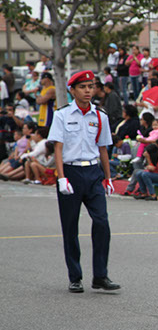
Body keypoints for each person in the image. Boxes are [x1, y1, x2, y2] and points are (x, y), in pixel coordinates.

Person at [46, 70, 119, 293]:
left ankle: (100, 276)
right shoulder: (62, 115)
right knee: (70, 227)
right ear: (73, 90)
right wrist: (61, 177)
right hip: (71, 172)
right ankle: (75, 276)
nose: (88, 90)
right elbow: (57, 148)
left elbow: (104, 148)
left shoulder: (100, 116)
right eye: (83, 87)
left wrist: (108, 177)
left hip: (93, 173)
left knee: (102, 223)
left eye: (91, 86)